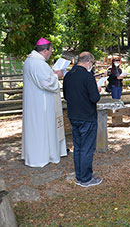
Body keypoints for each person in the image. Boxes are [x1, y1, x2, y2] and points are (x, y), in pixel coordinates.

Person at [21, 38, 67, 168]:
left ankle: (34, 155)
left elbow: (41, 78)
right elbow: (47, 83)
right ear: (45, 50)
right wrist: (56, 76)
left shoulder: (30, 61)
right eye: (51, 50)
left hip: (34, 103)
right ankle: (43, 156)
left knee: (35, 129)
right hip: (42, 104)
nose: (51, 53)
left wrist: (51, 74)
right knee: (42, 129)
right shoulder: (39, 64)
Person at [63, 52, 102, 187]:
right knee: (87, 148)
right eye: (92, 63)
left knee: (78, 147)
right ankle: (86, 179)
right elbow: (95, 98)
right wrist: (97, 90)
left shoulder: (68, 75)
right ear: (89, 62)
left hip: (74, 116)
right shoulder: (87, 76)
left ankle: (80, 176)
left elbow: (66, 96)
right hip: (87, 117)